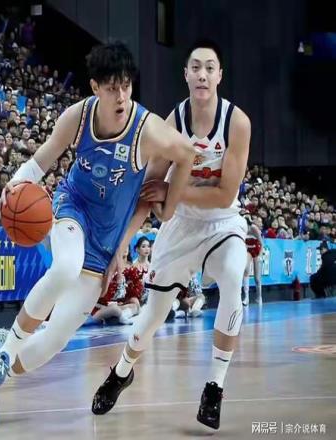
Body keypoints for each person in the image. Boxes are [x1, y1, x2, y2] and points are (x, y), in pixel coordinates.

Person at [0, 42, 195, 425]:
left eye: (126, 86)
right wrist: (17, 181)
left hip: (105, 243)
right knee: (64, 267)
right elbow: (42, 158)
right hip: (72, 207)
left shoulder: (148, 129)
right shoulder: (78, 116)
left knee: (54, 341)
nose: (121, 96)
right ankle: (3, 356)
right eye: (112, 88)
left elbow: (187, 154)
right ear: (95, 87)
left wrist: (168, 206)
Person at [91, 39, 251, 431]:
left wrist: (172, 191)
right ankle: (122, 371)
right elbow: (150, 190)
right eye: (195, 67)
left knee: (233, 276)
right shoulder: (171, 123)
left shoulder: (236, 122)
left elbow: (224, 194)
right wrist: (122, 243)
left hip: (223, 222)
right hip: (180, 225)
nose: (202, 74)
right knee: (152, 315)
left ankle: (214, 387)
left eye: (209, 67)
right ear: (186, 75)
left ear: (219, 75)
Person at [243, 219, 263, 306]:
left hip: (256, 250)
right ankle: (246, 297)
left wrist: (260, 255)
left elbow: (262, 244)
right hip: (248, 249)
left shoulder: (254, 228)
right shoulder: (242, 228)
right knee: (246, 270)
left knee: (257, 278)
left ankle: (259, 297)